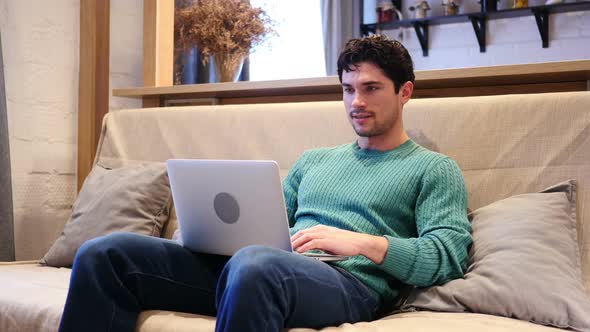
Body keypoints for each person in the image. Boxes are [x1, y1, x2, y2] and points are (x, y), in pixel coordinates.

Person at [58, 35, 472, 332]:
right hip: (258, 270)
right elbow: (267, 226)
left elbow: (446, 255)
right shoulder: (316, 160)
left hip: (351, 285)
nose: (356, 102)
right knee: (106, 254)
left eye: (370, 89)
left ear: (405, 92)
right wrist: (206, 233)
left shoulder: (433, 168)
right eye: (347, 90)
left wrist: (361, 243)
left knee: (255, 265)